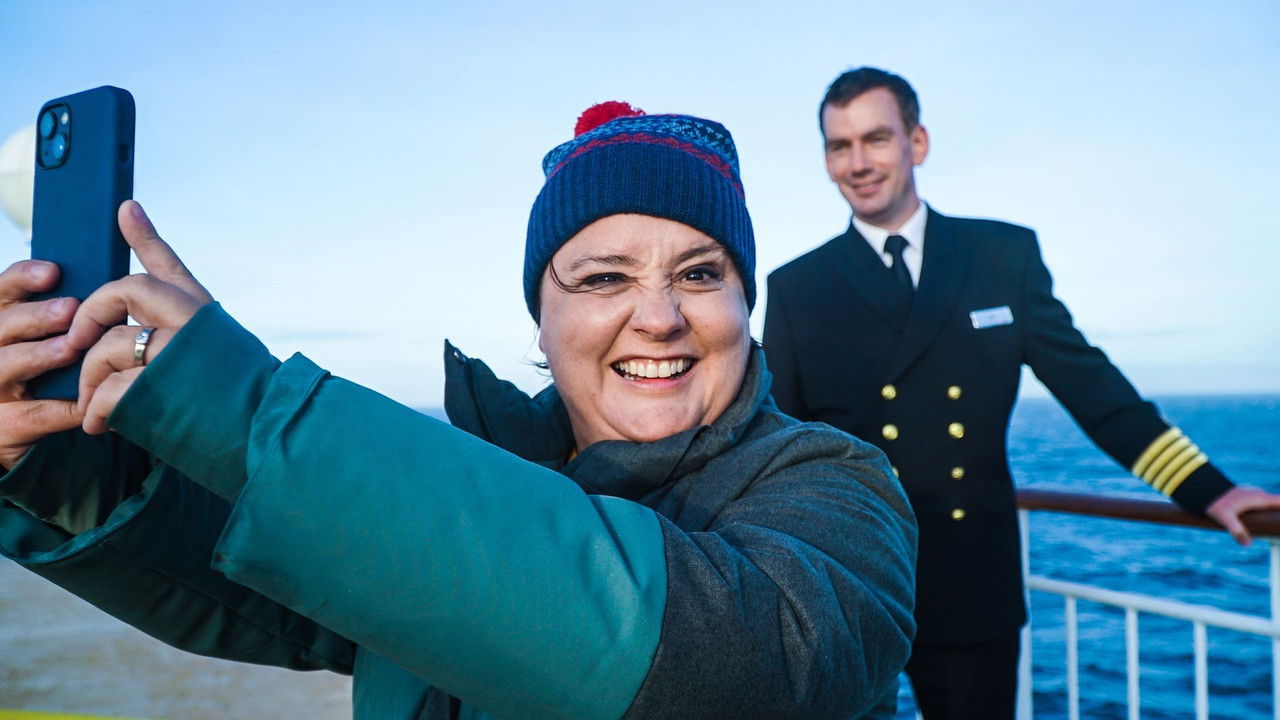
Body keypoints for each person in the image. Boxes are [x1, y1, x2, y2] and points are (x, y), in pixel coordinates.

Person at [0, 102, 916, 719]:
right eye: (603, 277)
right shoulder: (479, 470)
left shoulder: (838, 486)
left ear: (743, 303)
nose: (661, 315)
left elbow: (745, 661)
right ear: (543, 320)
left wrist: (248, 414)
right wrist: (53, 463)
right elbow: (258, 579)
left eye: (701, 273)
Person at [761, 67, 1280, 719]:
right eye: (840, 146)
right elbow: (779, 443)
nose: (859, 163)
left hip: (971, 584)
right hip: (852, 586)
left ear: (916, 142)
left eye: (877, 139)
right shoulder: (800, 286)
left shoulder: (999, 255)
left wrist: (1211, 489)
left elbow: (1092, 387)